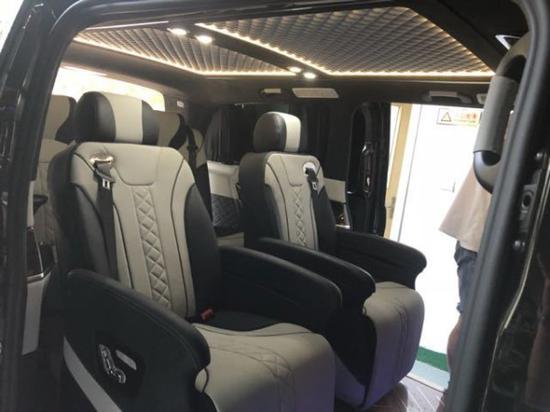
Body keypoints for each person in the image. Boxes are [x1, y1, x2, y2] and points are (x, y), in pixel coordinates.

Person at [439, 167, 492, 393]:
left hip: (479, 240)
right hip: (479, 243)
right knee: (470, 321)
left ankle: (457, 390)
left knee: (471, 321)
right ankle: (456, 391)